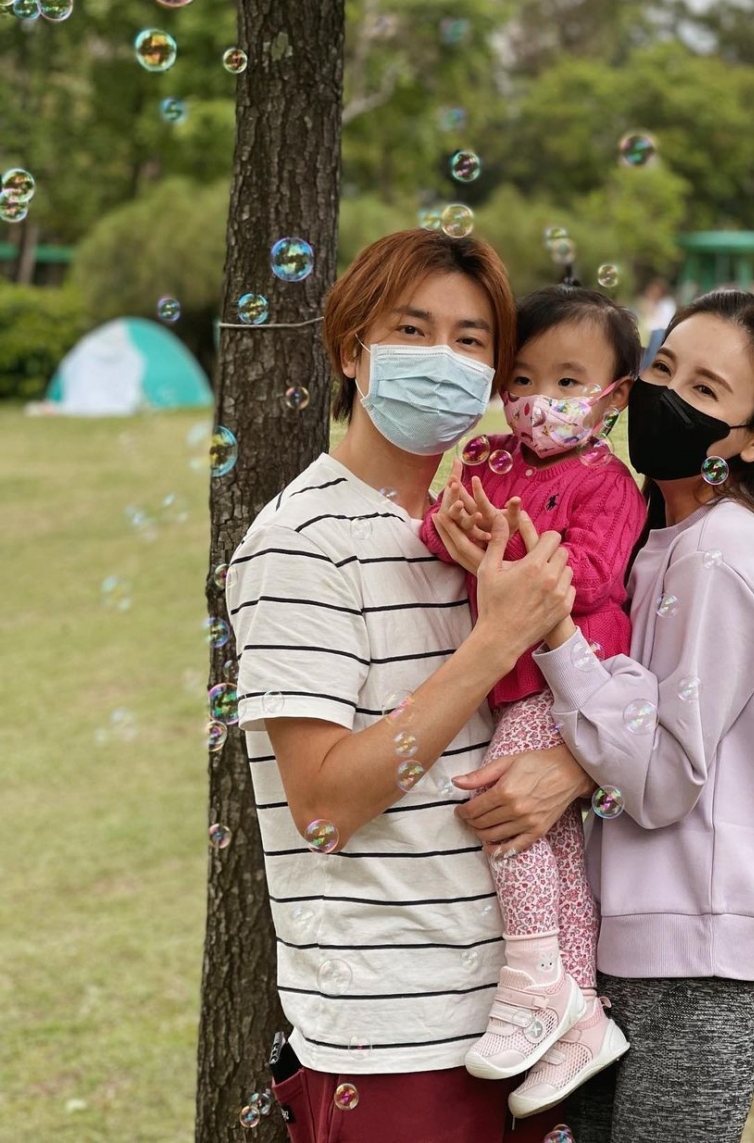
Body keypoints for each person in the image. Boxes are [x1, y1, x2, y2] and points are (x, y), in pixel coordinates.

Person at [225, 229, 593, 1143]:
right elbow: (321, 806)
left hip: (524, 1026)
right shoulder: (297, 545)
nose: (445, 359)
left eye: (472, 341)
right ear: (352, 349)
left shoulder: (469, 528)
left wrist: (575, 766)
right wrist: (496, 639)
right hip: (393, 1043)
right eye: (414, 330)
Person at [437, 289, 754, 1142]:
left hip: (693, 962)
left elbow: (658, 781)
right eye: (663, 368)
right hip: (616, 948)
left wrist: (550, 627)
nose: (668, 399)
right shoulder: (652, 537)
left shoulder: (723, 555)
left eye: (707, 392)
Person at [419, 286, 646, 1118]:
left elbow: (589, 577)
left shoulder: (610, 483)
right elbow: (441, 528)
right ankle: (582, 1013)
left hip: (572, 675)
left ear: (613, 394)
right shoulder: (483, 461)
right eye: (522, 378)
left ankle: (533, 977)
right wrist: (453, 527)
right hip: (513, 678)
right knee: (551, 843)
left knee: (506, 808)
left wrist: (504, 549)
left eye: (567, 381)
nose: (539, 401)